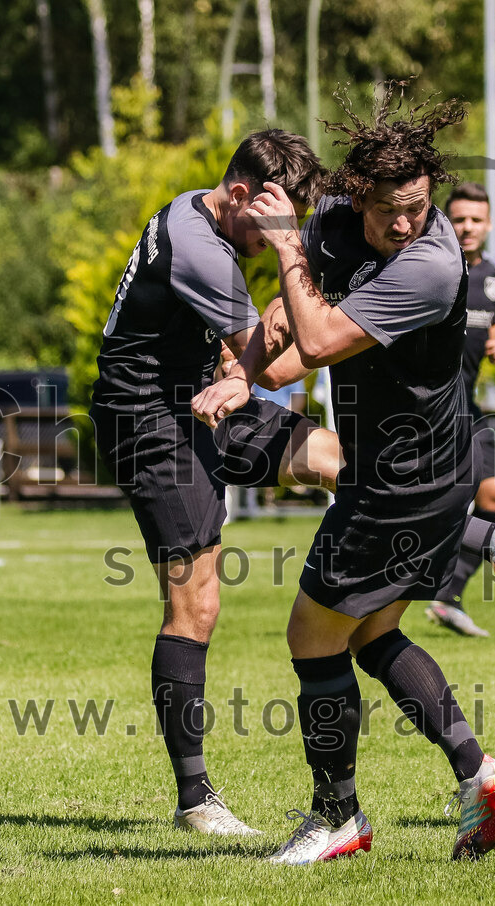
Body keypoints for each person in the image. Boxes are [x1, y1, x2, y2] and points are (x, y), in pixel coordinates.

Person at [192, 84, 495, 864]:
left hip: (405, 481)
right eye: (391, 209)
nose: (407, 223)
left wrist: (286, 245)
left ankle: (338, 818)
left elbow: (327, 334)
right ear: (360, 192)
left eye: (419, 205)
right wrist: (251, 373)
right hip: (414, 473)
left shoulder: (435, 266)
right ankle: (479, 772)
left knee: (311, 632)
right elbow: (287, 317)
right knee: (373, 633)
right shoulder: (340, 221)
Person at [90, 129, 344, 837]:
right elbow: (279, 358)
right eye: (275, 221)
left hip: (199, 397)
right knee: (196, 605)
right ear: (242, 195)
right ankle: (196, 801)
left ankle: (491, 544)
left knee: (337, 460)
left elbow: (258, 355)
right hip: (147, 421)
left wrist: (299, 291)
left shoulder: (205, 219)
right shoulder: (200, 246)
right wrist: (316, 291)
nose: (275, 237)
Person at [423, 182, 495, 637]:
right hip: (423, 410)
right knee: (431, 504)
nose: (468, 227)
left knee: (494, 497)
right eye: (459, 219)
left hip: (466, 407)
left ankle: (447, 596)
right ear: (445, 221)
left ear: (489, 223)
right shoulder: (430, 267)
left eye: (476, 219)